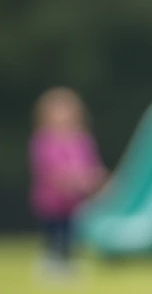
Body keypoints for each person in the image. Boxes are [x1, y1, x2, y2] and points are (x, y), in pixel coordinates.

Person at [29, 88, 105, 274]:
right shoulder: (43, 141)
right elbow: (49, 171)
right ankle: (52, 263)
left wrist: (93, 178)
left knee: (72, 233)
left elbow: (90, 165)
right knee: (54, 231)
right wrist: (73, 179)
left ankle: (67, 263)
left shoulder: (82, 140)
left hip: (75, 201)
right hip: (52, 200)